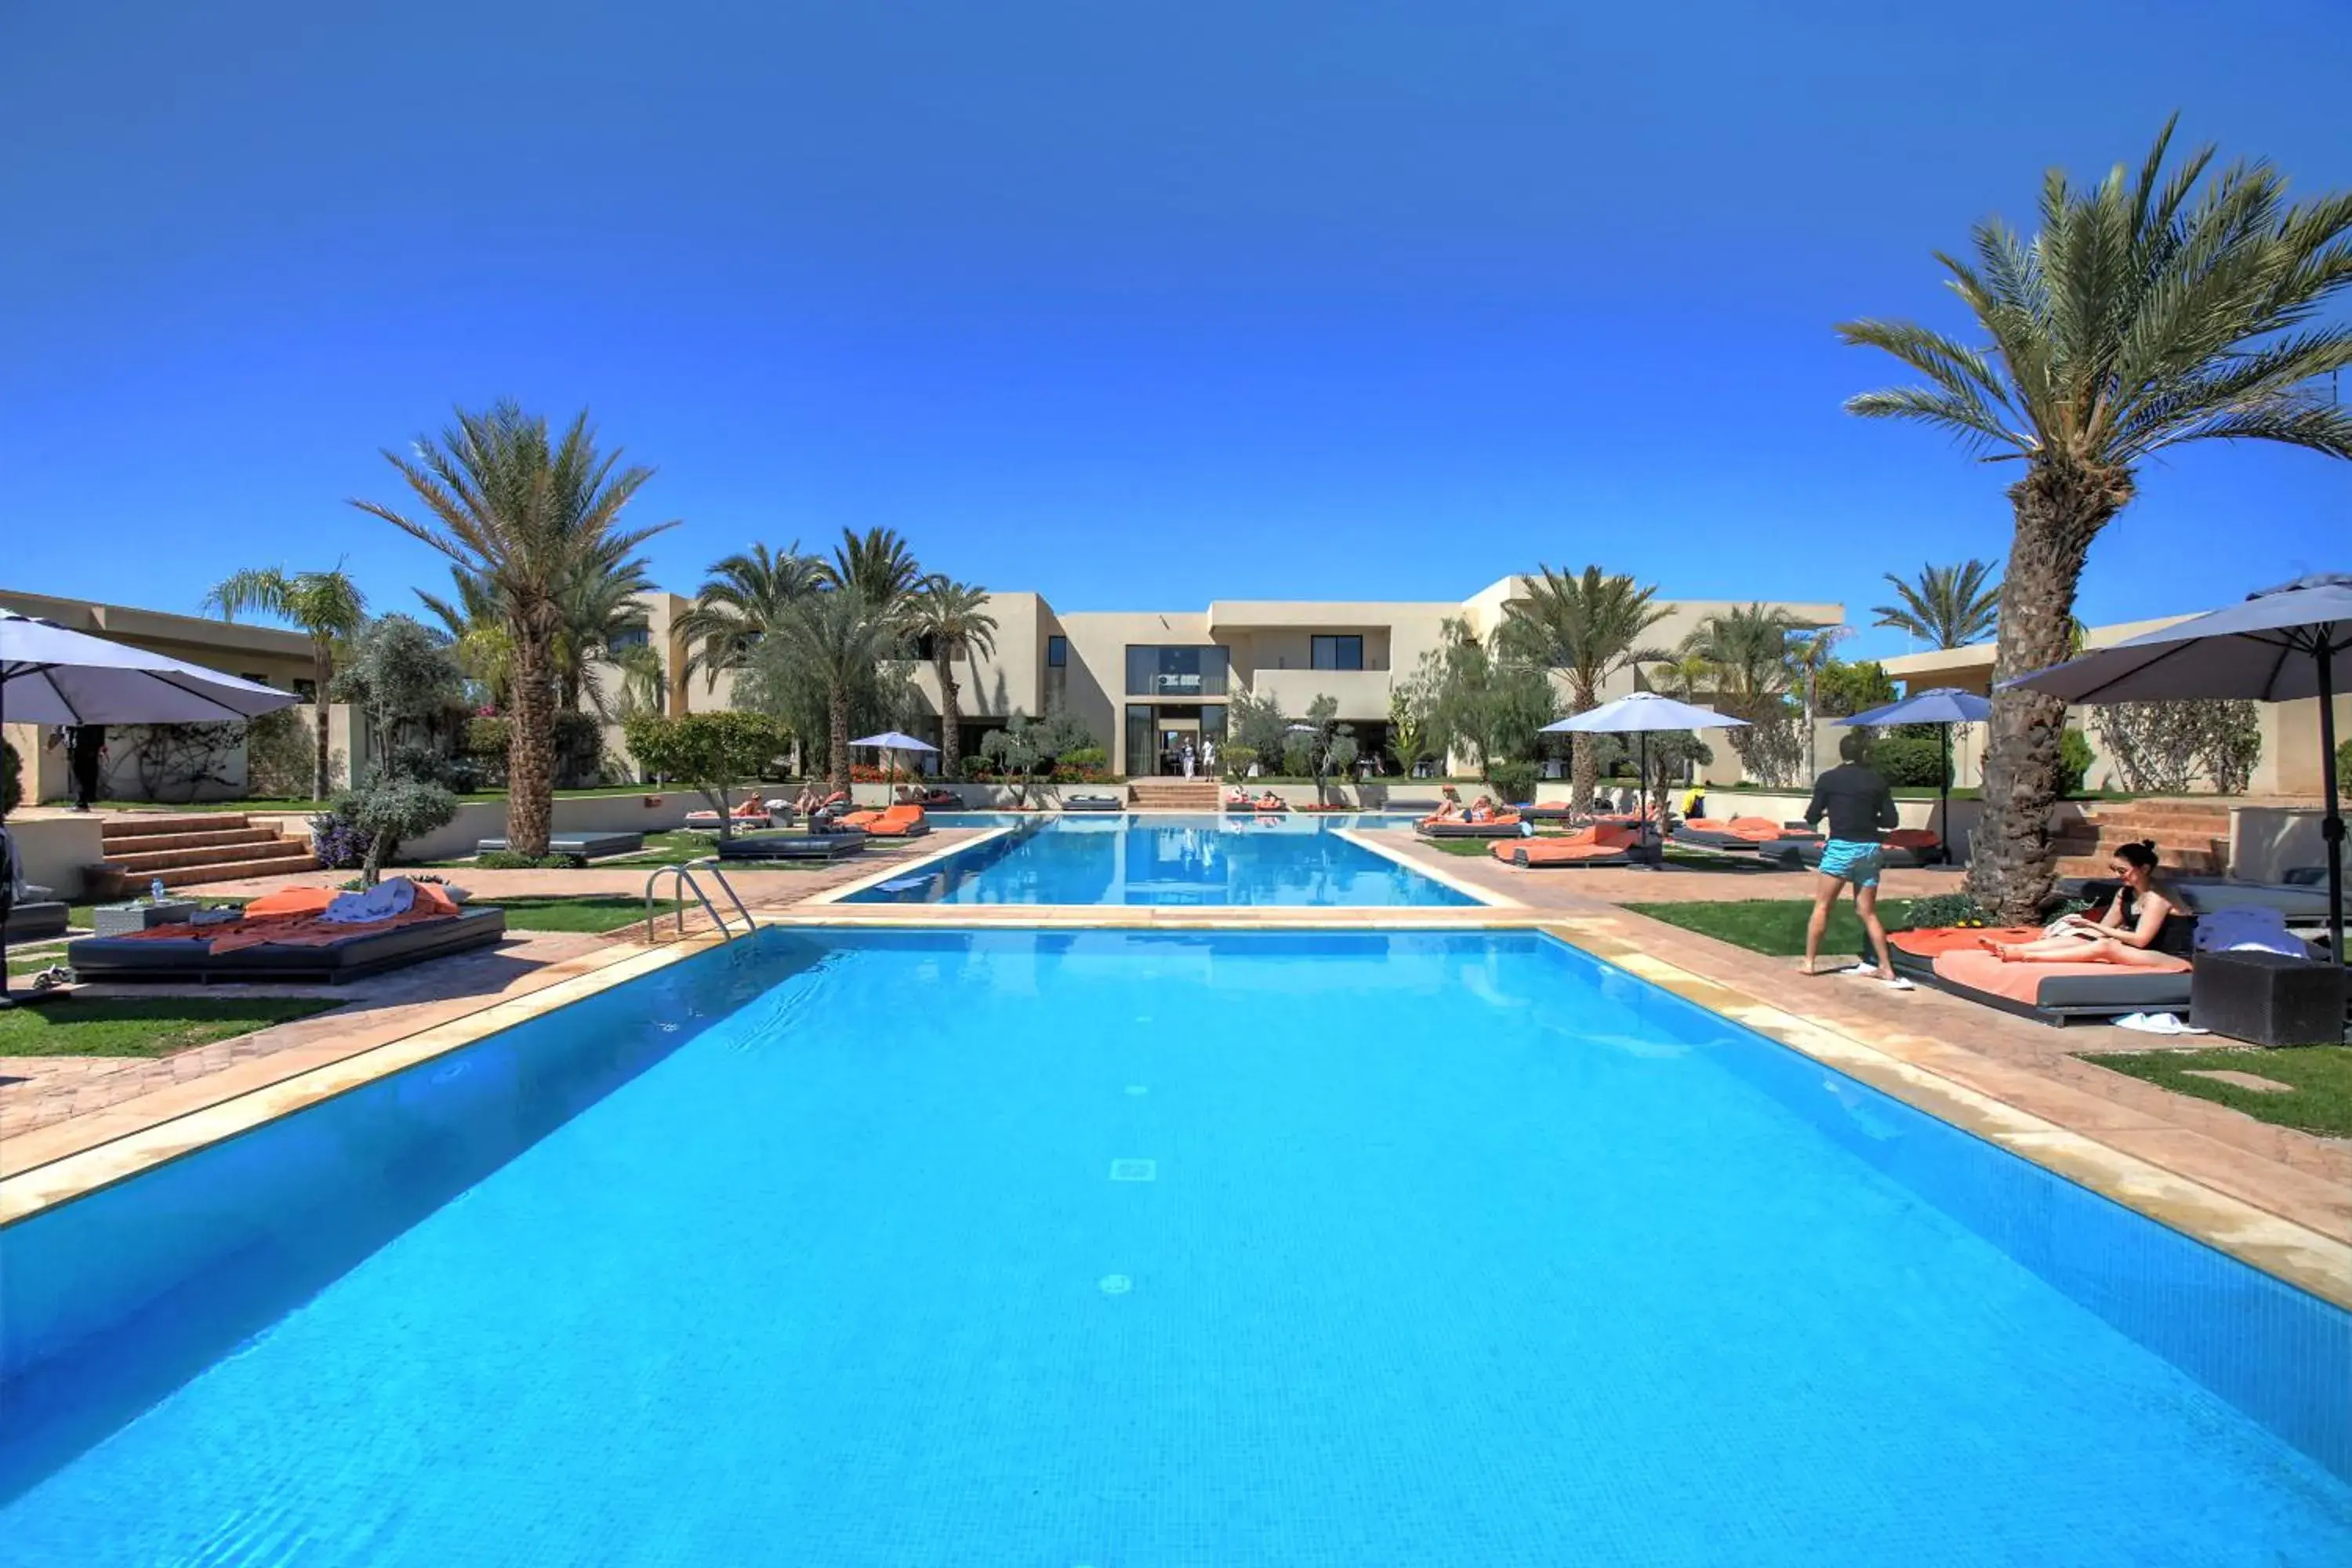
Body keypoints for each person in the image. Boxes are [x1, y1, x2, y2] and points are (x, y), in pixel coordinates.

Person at [1798, 730, 1910, 989]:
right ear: (1864, 754)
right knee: (1867, 911)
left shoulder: (1829, 779)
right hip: (1870, 849)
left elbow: (1812, 817)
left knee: (1823, 905)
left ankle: (1809, 962)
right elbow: (1891, 821)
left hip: (1842, 847)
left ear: (1842, 753)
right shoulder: (1877, 780)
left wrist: (1830, 813)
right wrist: (1869, 818)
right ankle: (1886, 968)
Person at [1985, 842, 2180, 967]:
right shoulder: (2126, 893)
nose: (2119, 876)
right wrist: (2072, 929)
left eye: (2123, 870)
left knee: (2106, 947)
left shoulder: (2157, 897)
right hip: (2146, 952)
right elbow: (2104, 929)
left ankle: (2028, 956)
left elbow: (2140, 940)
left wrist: (2092, 925)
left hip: (2174, 956)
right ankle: (2017, 948)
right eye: (2116, 870)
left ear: (2144, 869)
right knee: (2085, 938)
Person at [48, 725, 107, 812]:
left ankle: (82, 803)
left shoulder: (72, 713)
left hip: (78, 744)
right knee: (89, 772)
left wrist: (52, 743)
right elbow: (100, 725)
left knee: (79, 774)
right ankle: (88, 800)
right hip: (91, 744)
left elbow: (60, 726)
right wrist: (100, 743)